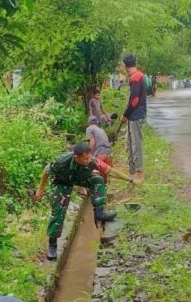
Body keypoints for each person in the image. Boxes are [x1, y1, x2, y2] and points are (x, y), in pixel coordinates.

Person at [35, 141, 136, 260]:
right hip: (61, 182)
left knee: (98, 179)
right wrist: (40, 189)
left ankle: (99, 213)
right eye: (85, 159)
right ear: (76, 157)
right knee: (58, 210)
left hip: (77, 178)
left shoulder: (91, 160)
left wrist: (131, 180)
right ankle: (52, 245)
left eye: (89, 157)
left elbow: (110, 171)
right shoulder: (61, 161)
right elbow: (46, 171)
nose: (88, 160)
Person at [120, 53, 146, 181]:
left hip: (136, 116)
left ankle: (139, 172)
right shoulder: (137, 76)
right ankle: (132, 170)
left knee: (136, 144)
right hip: (133, 116)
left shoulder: (136, 77)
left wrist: (125, 115)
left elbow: (135, 100)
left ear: (125, 66)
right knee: (129, 144)